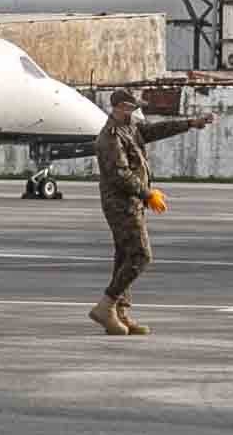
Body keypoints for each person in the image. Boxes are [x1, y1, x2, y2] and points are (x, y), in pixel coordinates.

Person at [90, 90, 215, 336]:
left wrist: (190, 124)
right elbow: (120, 176)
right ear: (119, 108)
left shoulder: (130, 127)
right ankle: (106, 306)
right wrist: (147, 194)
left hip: (132, 203)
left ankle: (120, 313)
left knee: (125, 256)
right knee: (140, 256)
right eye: (131, 108)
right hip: (120, 205)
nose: (135, 112)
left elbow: (156, 131)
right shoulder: (110, 137)